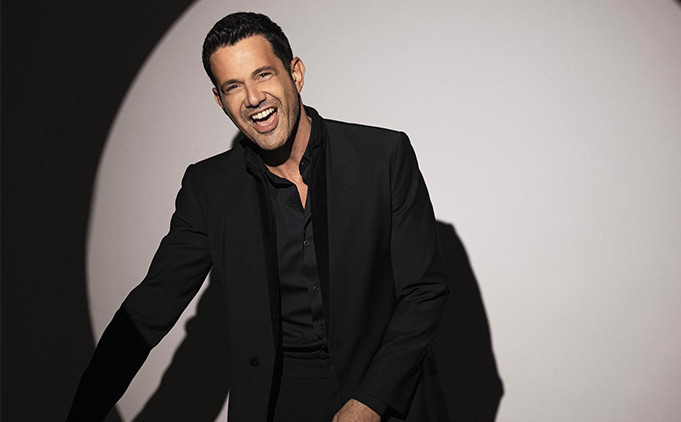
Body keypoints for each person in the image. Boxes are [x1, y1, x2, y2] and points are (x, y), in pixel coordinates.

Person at [68, 12, 449, 422]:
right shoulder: (209, 188)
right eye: (233, 86)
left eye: (263, 75)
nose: (252, 98)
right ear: (220, 100)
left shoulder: (382, 157)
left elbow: (424, 291)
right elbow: (150, 308)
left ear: (295, 73)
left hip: (386, 396)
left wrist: (371, 401)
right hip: (278, 405)